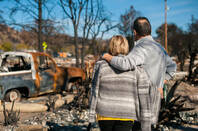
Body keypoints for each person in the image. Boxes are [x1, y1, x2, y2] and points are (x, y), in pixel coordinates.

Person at [102, 17, 177, 124]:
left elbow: (125, 64)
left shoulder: (141, 48)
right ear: (149, 30)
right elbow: (172, 68)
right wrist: (160, 84)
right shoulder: (160, 48)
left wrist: (107, 57)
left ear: (134, 32)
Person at [89, 35, 152, 131]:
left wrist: (91, 115)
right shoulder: (136, 68)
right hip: (127, 113)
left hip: (104, 113)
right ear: (126, 47)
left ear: (110, 46)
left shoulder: (101, 66)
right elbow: (144, 95)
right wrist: (146, 123)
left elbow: (94, 91)